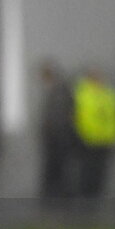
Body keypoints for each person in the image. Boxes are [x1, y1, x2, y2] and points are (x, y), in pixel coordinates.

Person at [72, 67, 115, 204]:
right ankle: (85, 194)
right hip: (87, 138)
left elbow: (114, 114)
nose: (99, 80)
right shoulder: (81, 93)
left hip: (106, 139)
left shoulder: (110, 93)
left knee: (101, 169)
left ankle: (97, 194)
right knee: (87, 168)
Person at [38, 61, 75, 203]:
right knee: (53, 167)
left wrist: (51, 129)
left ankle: (57, 197)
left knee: (58, 167)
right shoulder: (53, 90)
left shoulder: (59, 90)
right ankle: (52, 195)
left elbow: (60, 115)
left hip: (59, 136)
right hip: (53, 136)